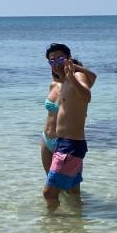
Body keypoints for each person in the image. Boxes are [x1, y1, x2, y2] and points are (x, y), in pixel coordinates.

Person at [42, 44, 96, 209]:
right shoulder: (58, 83)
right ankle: (75, 226)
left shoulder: (77, 77)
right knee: (68, 189)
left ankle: (53, 226)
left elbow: (87, 95)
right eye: (52, 61)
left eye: (60, 58)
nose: (56, 63)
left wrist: (72, 74)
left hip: (70, 144)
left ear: (68, 58)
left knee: (50, 192)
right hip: (53, 141)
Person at [40, 64, 61, 174]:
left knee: (69, 185)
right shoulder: (53, 85)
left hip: (63, 140)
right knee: (49, 179)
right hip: (46, 137)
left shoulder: (72, 90)